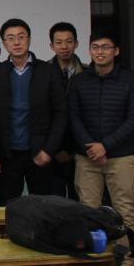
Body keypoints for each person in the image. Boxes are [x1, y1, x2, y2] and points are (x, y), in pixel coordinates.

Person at [69, 30, 134, 266]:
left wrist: (106, 146)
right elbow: (74, 118)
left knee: (125, 210)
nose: (99, 52)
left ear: (116, 51)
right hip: (87, 157)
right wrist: (91, 147)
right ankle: (95, 259)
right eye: (95, 47)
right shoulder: (79, 81)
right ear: (89, 50)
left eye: (105, 47)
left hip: (121, 157)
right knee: (88, 211)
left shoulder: (131, 81)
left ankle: (128, 258)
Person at [0, 18, 67, 204]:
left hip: (39, 151)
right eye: (10, 38)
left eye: (21, 37)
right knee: (9, 206)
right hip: (7, 154)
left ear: (29, 39)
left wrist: (49, 149)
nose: (16, 42)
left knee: (42, 206)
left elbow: (61, 113)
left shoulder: (48, 71)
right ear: (4, 44)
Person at [49, 22, 85, 200]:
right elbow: (42, 115)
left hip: (82, 151)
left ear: (76, 43)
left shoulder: (87, 73)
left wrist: (73, 151)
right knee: (54, 203)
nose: (64, 46)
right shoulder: (43, 73)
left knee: (80, 201)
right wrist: (54, 149)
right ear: (51, 46)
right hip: (51, 151)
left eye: (69, 41)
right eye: (59, 42)